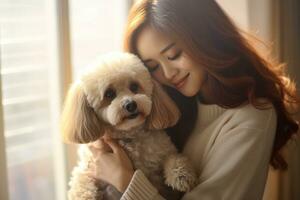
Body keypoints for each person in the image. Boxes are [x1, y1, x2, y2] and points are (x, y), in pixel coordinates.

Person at [87, 0, 299, 199]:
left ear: (206, 37)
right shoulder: (178, 107)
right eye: (153, 67)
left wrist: (124, 180)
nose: (168, 73)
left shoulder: (251, 117)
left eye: (174, 55)